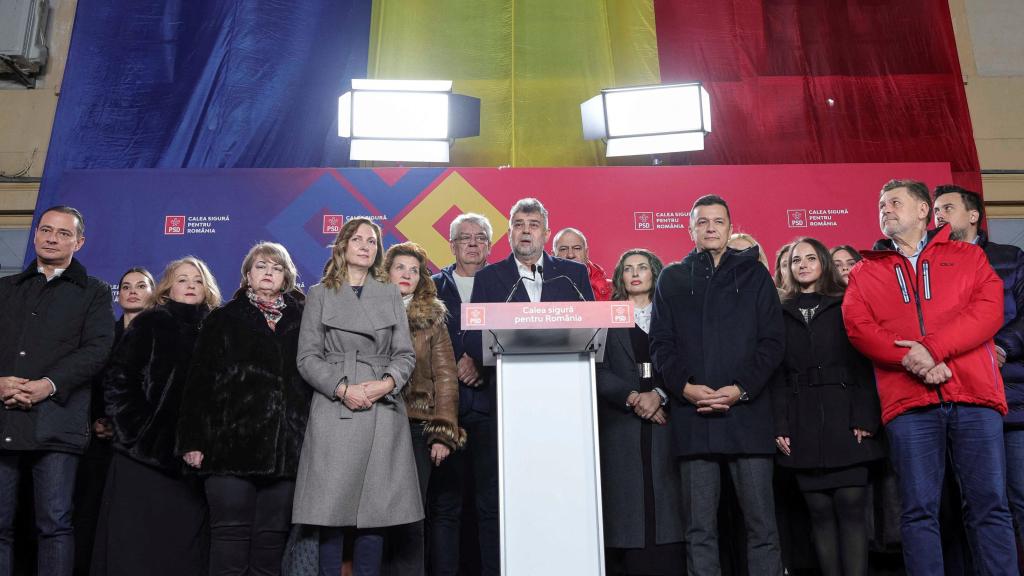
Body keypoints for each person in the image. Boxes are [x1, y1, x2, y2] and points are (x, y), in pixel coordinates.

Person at [842, 179, 1016, 574]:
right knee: (918, 512)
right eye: (881, 204)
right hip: (909, 406)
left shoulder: (966, 256)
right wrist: (916, 360)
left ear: (924, 210)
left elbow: (989, 311)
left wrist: (933, 349)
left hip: (974, 397)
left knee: (990, 506)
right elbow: (859, 328)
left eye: (895, 202)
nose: (885, 208)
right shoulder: (865, 271)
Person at [649, 194, 785, 576]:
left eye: (718, 221)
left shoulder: (755, 274)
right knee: (699, 530)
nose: (710, 227)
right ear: (690, 228)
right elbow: (661, 344)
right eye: (702, 221)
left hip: (748, 414)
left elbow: (772, 342)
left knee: (762, 527)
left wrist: (741, 388)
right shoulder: (671, 277)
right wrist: (686, 388)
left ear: (729, 227)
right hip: (694, 418)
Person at [175, 242, 311, 576]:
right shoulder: (223, 318)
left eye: (276, 268)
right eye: (261, 266)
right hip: (229, 450)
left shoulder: (305, 320)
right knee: (229, 541)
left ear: (287, 277)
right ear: (247, 274)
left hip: (286, 451)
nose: (268, 273)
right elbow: (199, 382)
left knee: (270, 544)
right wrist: (193, 440)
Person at [293, 217, 418, 576]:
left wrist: (385, 384)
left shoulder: (389, 292)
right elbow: (307, 357)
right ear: (343, 245)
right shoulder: (319, 294)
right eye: (358, 239)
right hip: (336, 407)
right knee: (329, 513)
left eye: (372, 241)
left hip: (382, 407)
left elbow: (405, 354)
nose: (365, 246)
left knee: (376, 513)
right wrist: (342, 389)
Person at [0, 206, 115, 576]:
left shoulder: (94, 292)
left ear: (79, 242)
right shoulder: (6, 289)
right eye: (46, 230)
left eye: (63, 233)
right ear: (35, 235)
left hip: (58, 423)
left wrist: (47, 386)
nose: (52, 238)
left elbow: (97, 350)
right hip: (4, 416)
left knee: (54, 524)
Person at [94, 256, 222, 576]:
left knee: (184, 548)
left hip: (195, 462)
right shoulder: (150, 323)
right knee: (135, 545)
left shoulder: (220, 329)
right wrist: (144, 438)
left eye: (197, 279)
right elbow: (119, 382)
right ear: (167, 289)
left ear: (207, 288)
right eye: (182, 279)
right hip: (142, 457)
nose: (191, 284)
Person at [773, 238, 884, 576]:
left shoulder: (849, 300)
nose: (803, 265)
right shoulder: (777, 310)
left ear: (824, 263)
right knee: (818, 512)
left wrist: (865, 416)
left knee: (851, 508)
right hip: (801, 422)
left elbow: (866, 364)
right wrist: (780, 425)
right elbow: (775, 374)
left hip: (846, 417)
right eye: (795, 260)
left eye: (810, 258)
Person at [933, 184, 1024, 547]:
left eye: (947, 208)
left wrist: (1001, 348)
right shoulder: (929, 265)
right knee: (972, 505)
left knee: (1018, 499)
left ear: (973, 216)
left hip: (1013, 400)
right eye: (935, 210)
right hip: (961, 399)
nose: (938, 215)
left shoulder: (1010, 257)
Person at [596, 249, 684, 575]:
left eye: (642, 267)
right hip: (620, 424)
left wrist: (660, 395)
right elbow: (597, 369)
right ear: (620, 277)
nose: (635, 273)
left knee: (668, 498)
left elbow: (685, 361)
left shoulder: (672, 313)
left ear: (654, 273)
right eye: (628, 268)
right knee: (626, 505)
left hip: (667, 420)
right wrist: (634, 397)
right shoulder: (605, 316)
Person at [383, 242, 463, 576]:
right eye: (400, 267)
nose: (407, 274)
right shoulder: (366, 310)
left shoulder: (432, 318)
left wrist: (443, 431)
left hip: (416, 425)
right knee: (375, 515)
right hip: (374, 423)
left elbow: (446, 377)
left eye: (414, 270)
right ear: (385, 271)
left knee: (410, 515)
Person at [74, 267, 155, 575]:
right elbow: (90, 383)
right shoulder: (102, 336)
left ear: (153, 293)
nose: (132, 291)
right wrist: (96, 419)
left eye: (141, 286)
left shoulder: (161, 335)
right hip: (99, 441)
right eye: (125, 287)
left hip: (139, 442)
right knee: (90, 512)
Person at [430, 213, 496, 576]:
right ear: (451, 245)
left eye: (480, 237)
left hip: (490, 406)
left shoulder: (504, 282)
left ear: (489, 244)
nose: (472, 243)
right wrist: (452, 364)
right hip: (444, 409)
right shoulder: (432, 285)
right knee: (445, 506)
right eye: (464, 237)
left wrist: (480, 364)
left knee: (491, 505)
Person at [553, 227, 613, 300]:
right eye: (563, 249)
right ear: (553, 255)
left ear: (586, 253)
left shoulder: (613, 289)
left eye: (577, 248)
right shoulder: (539, 287)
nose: (570, 255)